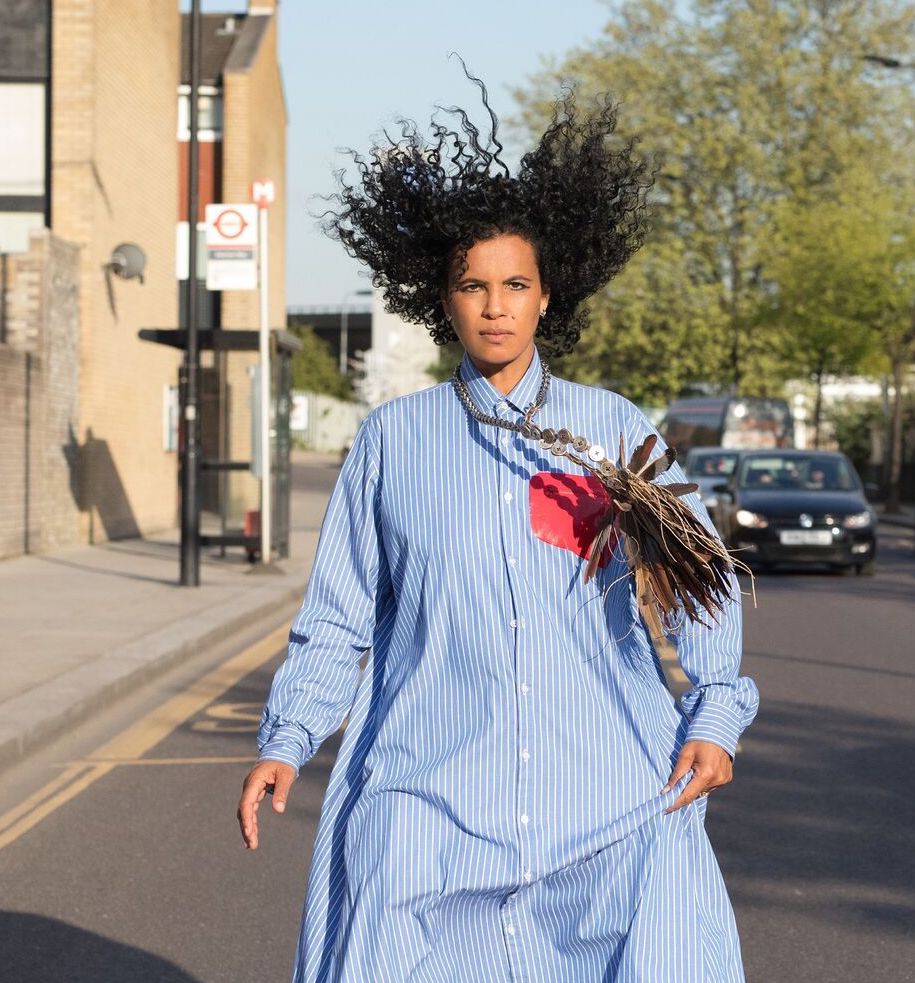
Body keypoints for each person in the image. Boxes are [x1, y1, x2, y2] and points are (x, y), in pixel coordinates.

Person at [236, 72, 758, 982]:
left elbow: (699, 586)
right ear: (440, 300)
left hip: (607, 791)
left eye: (514, 283)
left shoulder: (616, 430)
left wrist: (712, 713)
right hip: (431, 789)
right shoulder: (394, 441)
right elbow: (340, 614)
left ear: (548, 294)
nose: (494, 305)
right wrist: (288, 738)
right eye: (471, 285)